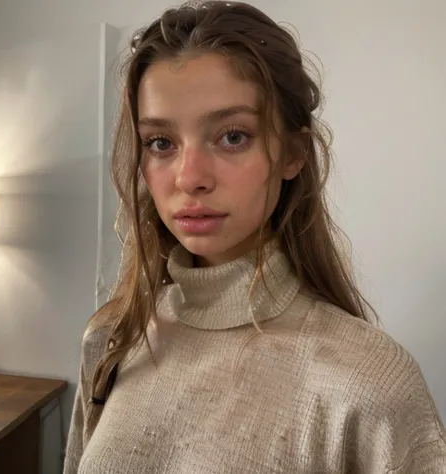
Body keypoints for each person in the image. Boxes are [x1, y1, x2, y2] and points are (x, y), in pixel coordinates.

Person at [64, 1, 446, 472]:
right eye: (160, 143)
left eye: (232, 136)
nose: (190, 178)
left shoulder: (369, 385)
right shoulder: (110, 340)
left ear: (293, 153)